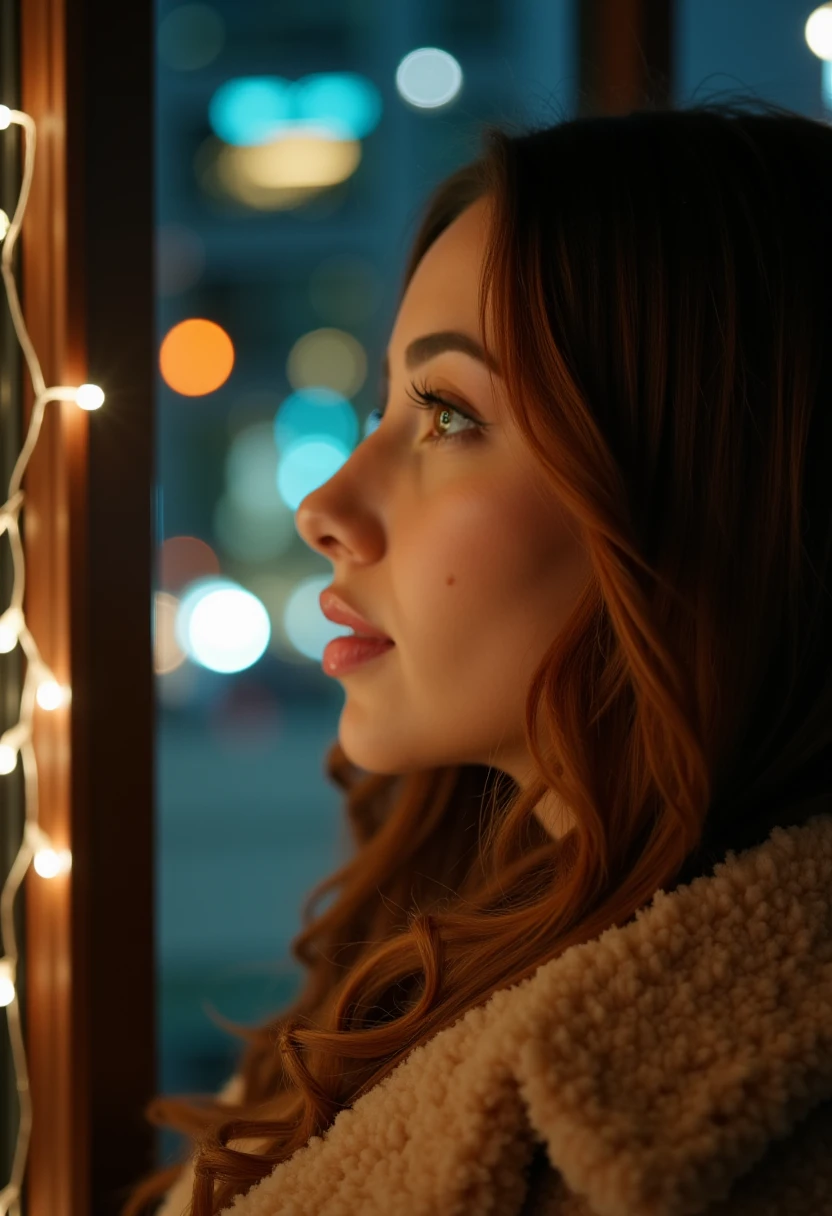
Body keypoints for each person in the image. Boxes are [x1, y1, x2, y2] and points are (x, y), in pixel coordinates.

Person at [123, 99, 832, 1216]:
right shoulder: (458, 974)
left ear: (699, 496)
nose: (324, 506)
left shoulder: (693, 1145)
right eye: (384, 410)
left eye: (447, 414)